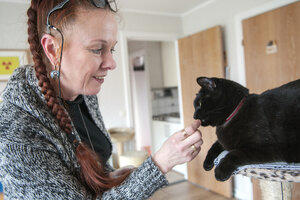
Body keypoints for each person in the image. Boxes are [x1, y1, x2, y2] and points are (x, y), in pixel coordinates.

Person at [0, 0, 203, 199]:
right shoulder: (15, 134)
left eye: (112, 49)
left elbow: (96, 176)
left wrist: (116, 177)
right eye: (97, 49)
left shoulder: (85, 96)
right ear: (53, 49)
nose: (112, 63)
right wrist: (160, 164)